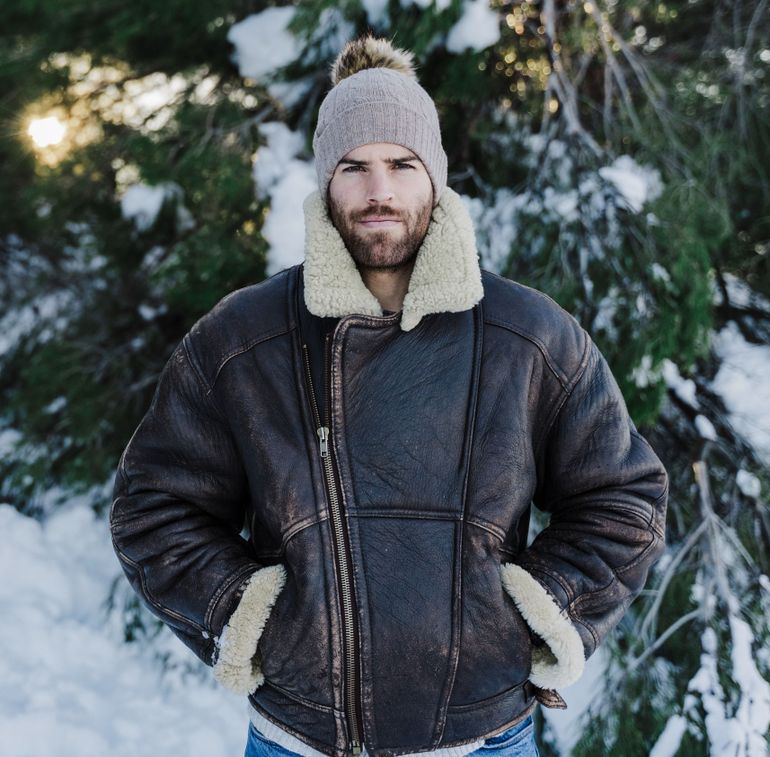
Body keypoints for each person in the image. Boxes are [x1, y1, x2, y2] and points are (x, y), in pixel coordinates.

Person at [108, 34, 668, 757]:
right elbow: (153, 507)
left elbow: (623, 496)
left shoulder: (527, 334)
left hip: (483, 735)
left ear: (433, 177)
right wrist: (251, 612)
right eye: (355, 167)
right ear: (325, 182)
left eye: (402, 165)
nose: (380, 191)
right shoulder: (241, 339)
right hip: (299, 736)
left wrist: (533, 609)